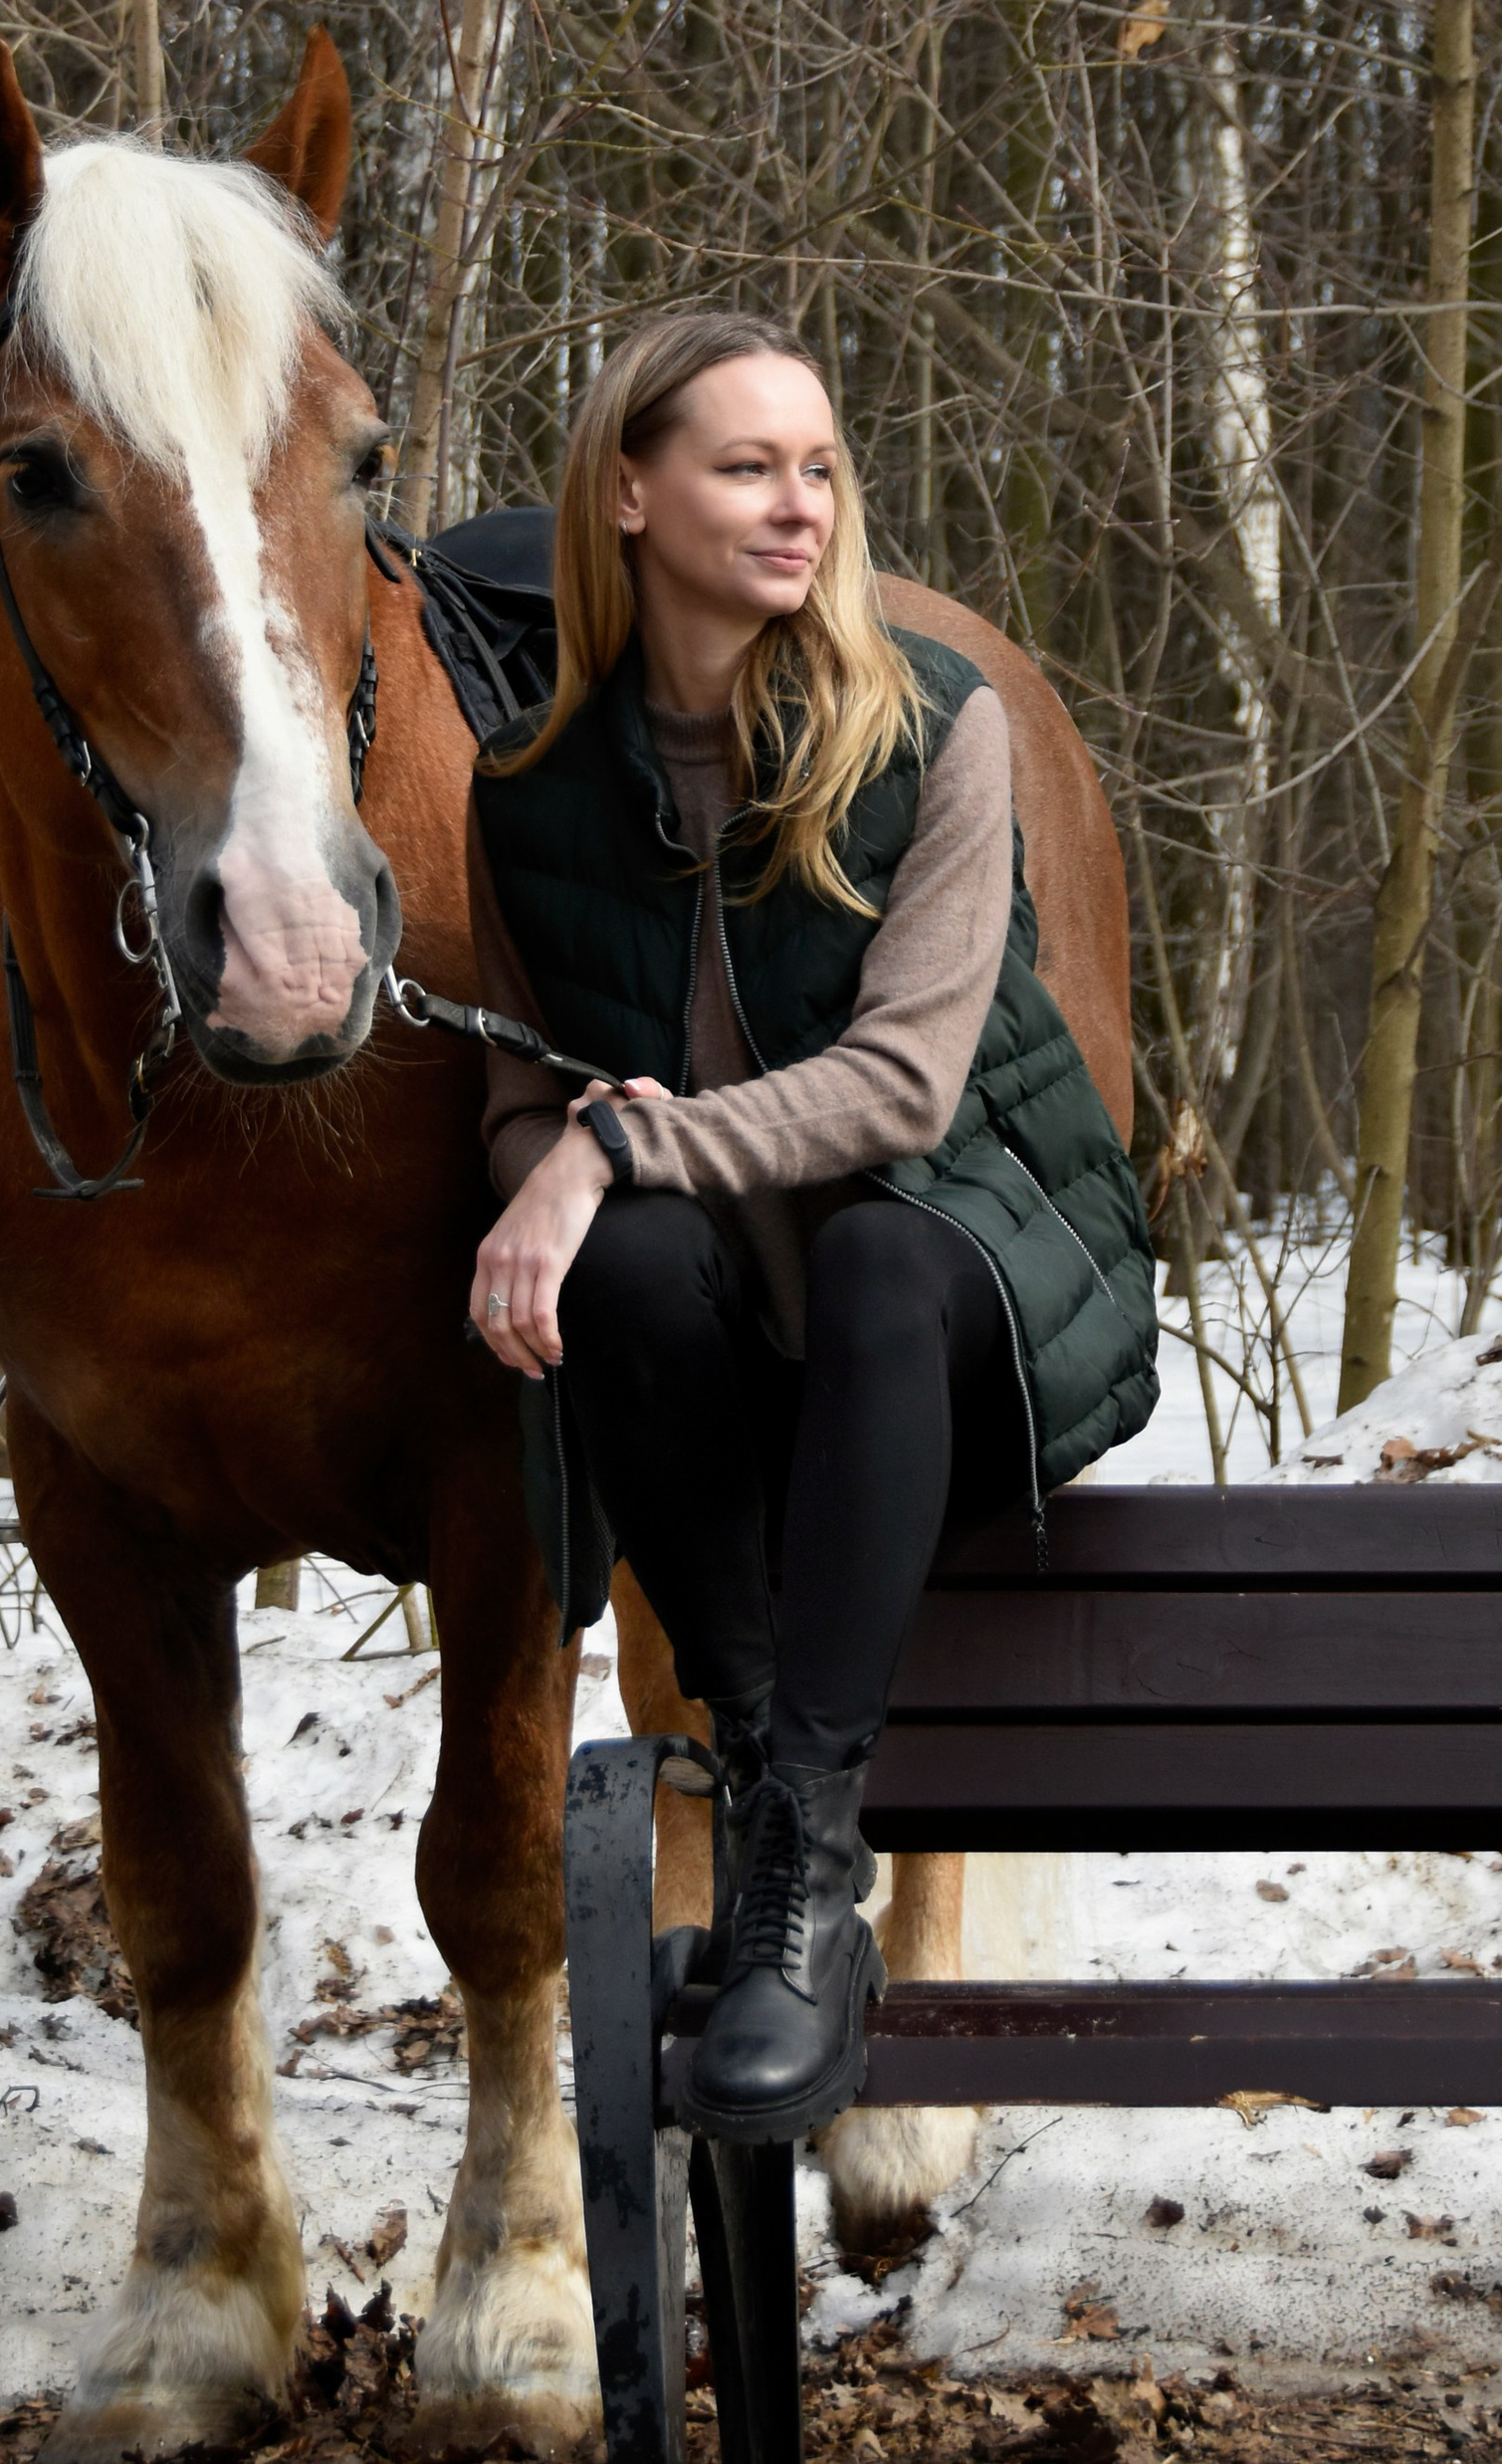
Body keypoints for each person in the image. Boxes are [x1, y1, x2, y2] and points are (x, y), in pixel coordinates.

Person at [464, 309, 1156, 2141]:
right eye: (748, 466)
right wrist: (558, 1160)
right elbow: (522, 1101)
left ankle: (806, 1854)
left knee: (865, 1250)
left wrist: (613, 1146)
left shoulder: (931, 725)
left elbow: (905, 1092)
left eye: (820, 468)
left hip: (961, 1284)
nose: (801, 505)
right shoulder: (530, 794)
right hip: (727, 1347)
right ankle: (772, 1776)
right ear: (629, 494)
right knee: (618, 1247)